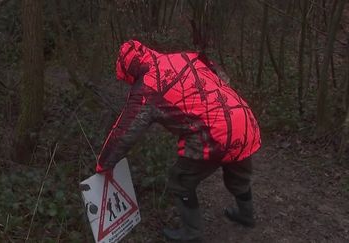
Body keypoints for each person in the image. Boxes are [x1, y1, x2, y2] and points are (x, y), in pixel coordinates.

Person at [96, 40, 261, 241]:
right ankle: (246, 215)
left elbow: (125, 132)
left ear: (129, 69)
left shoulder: (147, 87)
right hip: (244, 120)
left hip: (214, 135)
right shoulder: (184, 57)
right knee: (238, 172)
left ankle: (192, 233)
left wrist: (104, 163)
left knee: (180, 181)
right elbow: (223, 79)